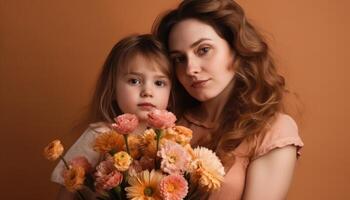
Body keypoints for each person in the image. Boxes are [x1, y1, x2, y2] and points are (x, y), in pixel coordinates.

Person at [152, 0, 304, 199]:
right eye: (179, 59)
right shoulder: (168, 123)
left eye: (203, 50)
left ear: (236, 48)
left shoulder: (272, 132)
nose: (190, 69)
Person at [51, 34, 174, 199]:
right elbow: (67, 189)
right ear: (113, 88)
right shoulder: (100, 135)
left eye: (159, 83)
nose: (147, 92)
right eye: (134, 81)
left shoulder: (167, 142)